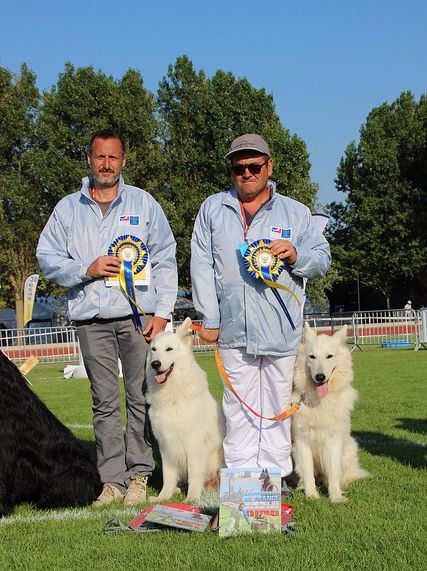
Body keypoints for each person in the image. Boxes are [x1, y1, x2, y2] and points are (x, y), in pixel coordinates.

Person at [37, 129, 177, 507]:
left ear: (123, 161)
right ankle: (111, 480)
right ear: (88, 160)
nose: (106, 164)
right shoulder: (67, 209)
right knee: (103, 402)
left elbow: (165, 255)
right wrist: (87, 267)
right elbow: (46, 257)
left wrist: (162, 312)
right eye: (100, 157)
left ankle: (139, 476)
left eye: (113, 158)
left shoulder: (144, 204)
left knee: (140, 397)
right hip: (90, 319)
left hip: (136, 319)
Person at [191, 133, 331, 487]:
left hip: (280, 331)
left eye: (255, 166)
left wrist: (297, 255)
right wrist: (210, 319)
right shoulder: (212, 209)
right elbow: (201, 266)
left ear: (269, 167)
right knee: (237, 410)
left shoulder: (296, 213)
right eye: (239, 167)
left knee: (275, 408)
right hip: (233, 331)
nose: (247, 173)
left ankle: (276, 477)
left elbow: (322, 260)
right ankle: (240, 479)